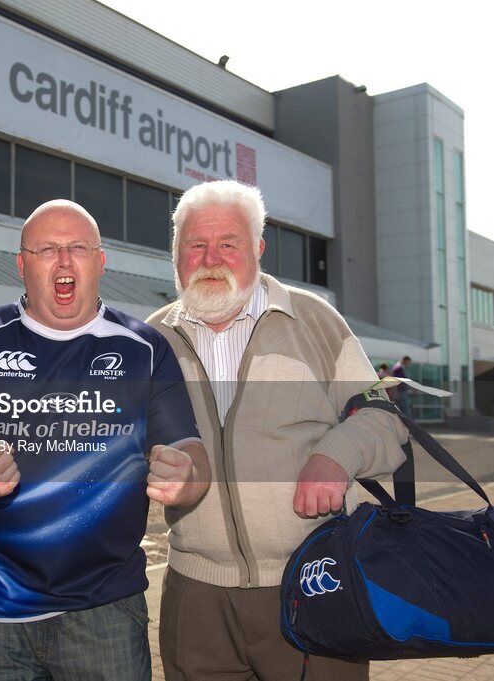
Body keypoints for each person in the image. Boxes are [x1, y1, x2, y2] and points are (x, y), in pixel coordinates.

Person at [0, 199, 211, 680]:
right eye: (47, 249)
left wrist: (185, 477)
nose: (64, 262)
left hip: (105, 606)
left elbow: (192, 456)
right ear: (22, 265)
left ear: (100, 261)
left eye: (77, 248)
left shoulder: (145, 347)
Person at [146, 180, 407, 681]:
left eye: (229, 243)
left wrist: (337, 455)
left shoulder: (315, 321)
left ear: (258, 249)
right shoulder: (150, 339)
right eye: (196, 245)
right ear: (175, 254)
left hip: (316, 577)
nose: (211, 258)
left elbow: (383, 418)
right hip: (195, 595)